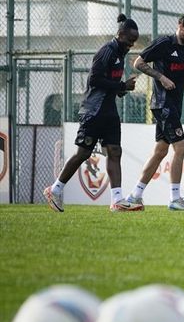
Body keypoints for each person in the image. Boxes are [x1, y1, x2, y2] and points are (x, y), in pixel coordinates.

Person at [44, 14, 139, 212]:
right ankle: (55, 189)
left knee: (115, 151)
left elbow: (109, 83)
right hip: (94, 111)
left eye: (134, 41)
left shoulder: (120, 54)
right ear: (120, 34)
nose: (131, 45)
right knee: (83, 153)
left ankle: (117, 200)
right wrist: (121, 85)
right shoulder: (106, 51)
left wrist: (120, 89)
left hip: (109, 110)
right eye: (130, 40)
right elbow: (94, 80)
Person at [128, 12, 184, 211]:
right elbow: (138, 63)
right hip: (163, 103)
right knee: (181, 147)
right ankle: (175, 198)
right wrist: (161, 77)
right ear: (180, 26)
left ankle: (135, 195)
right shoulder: (164, 43)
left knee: (160, 151)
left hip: (174, 105)